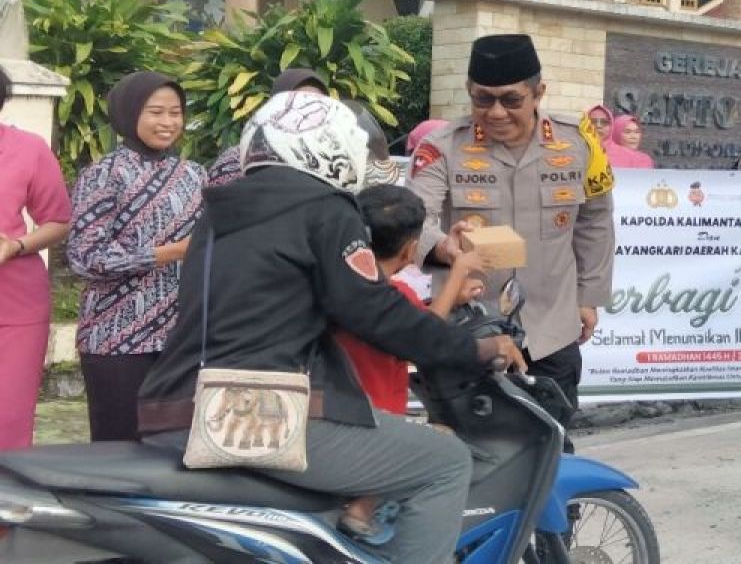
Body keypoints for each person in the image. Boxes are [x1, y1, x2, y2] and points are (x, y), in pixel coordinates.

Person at [138, 91, 523, 564]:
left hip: (176, 404)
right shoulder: (324, 209)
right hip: (258, 415)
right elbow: (374, 311)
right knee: (444, 462)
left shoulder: (221, 214)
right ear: (332, 148)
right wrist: (474, 349)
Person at [408, 34, 616, 449]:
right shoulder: (441, 148)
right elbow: (415, 221)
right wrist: (445, 247)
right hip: (471, 333)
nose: (496, 112)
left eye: (511, 99)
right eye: (482, 100)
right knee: (470, 456)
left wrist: (588, 297)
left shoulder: (579, 142)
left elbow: (595, 219)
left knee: (552, 455)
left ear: (539, 92)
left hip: (551, 329)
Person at [336, 183, 487, 544]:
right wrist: (458, 273)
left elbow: (417, 318)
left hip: (345, 408)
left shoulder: (351, 283)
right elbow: (424, 337)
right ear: (409, 250)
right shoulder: (392, 293)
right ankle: (363, 509)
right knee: (445, 444)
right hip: (377, 418)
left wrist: (452, 286)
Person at [67, 72, 205, 442]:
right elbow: (85, 257)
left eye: (175, 112)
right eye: (156, 112)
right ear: (129, 114)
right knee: (119, 447)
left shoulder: (194, 175)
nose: (168, 122)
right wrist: (168, 253)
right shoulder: (104, 174)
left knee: (174, 447)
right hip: (114, 337)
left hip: (178, 336)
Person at [0, 66, 72, 450]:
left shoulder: (28, 149)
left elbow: (58, 221)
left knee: (8, 419)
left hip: (15, 306)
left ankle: (7, 503)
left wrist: (18, 245)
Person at [207, 68, 329, 186]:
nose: (308, 114)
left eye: (317, 106)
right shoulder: (237, 162)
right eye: (299, 104)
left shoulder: (332, 165)